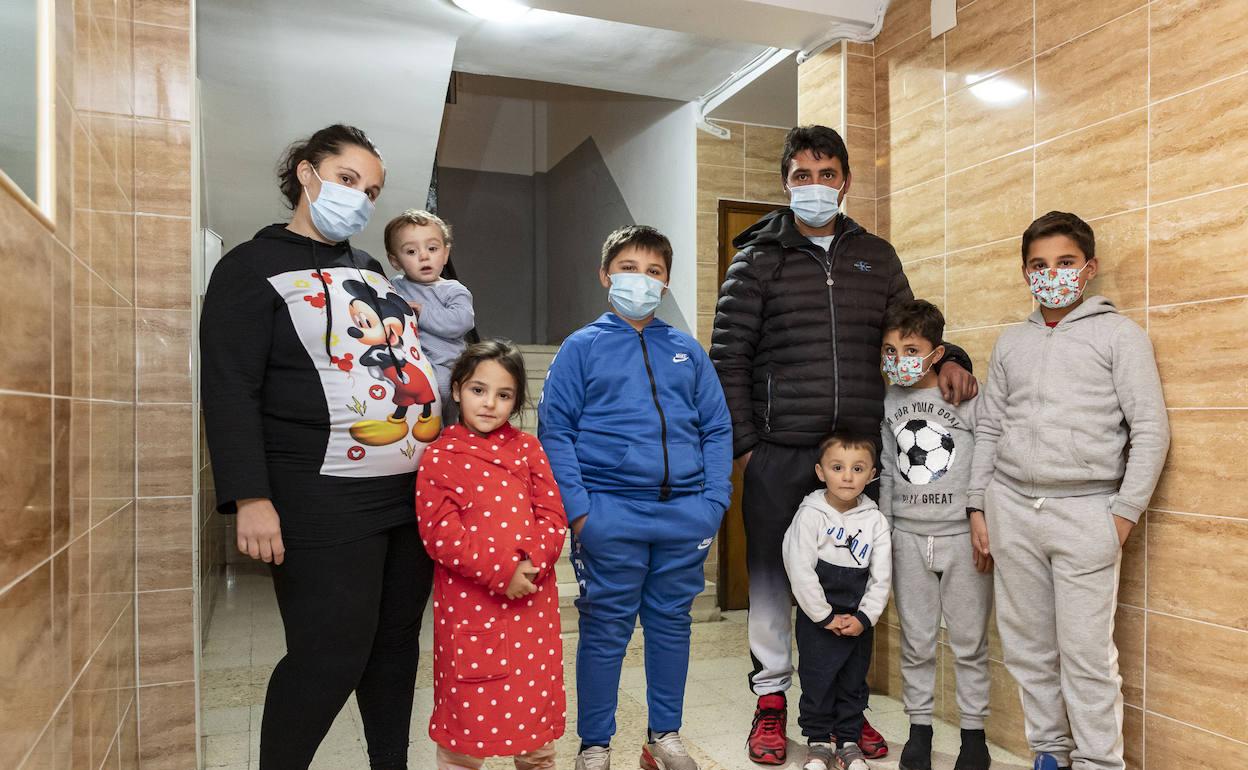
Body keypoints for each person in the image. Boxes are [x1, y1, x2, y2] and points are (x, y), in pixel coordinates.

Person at [710, 124, 977, 765]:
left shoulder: (876, 257)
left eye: (826, 175)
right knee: (773, 579)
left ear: (846, 182)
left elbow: (911, 330)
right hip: (779, 451)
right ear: (785, 184)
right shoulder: (755, 260)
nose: (815, 186)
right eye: (802, 175)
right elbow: (727, 359)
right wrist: (747, 449)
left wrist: (952, 358)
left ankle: (847, 711)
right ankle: (771, 701)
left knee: (853, 583)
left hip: (860, 455)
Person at [201, 124, 439, 769]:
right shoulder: (248, 266)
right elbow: (229, 388)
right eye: (347, 179)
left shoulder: (370, 271)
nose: (360, 198)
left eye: (372, 190)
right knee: (329, 654)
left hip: (406, 496)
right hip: (319, 495)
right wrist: (249, 497)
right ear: (307, 174)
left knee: (394, 649)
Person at [967, 212, 1170, 770]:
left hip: (1087, 512)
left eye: (1064, 262)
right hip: (1011, 509)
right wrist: (979, 505)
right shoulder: (1012, 342)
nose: (1050, 274)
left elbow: (1150, 430)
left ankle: (1100, 762)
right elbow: (989, 428)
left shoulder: (1120, 336)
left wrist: (1122, 515)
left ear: (1089, 267)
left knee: (1086, 655)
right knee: (1028, 649)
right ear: (1025, 272)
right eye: (1038, 264)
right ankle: (1050, 753)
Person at [539, 225, 733, 770]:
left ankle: (663, 736)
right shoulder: (581, 347)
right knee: (605, 632)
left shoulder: (687, 351)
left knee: (672, 627)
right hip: (608, 514)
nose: (641, 280)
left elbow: (717, 428)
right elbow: (556, 431)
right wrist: (581, 512)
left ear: (666, 282)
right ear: (606, 276)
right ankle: (595, 744)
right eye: (628, 268)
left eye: (653, 271)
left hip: (685, 515)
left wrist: (713, 503)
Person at [415, 339, 567, 770]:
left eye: (504, 395)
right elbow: (440, 535)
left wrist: (532, 565)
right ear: (457, 389)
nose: (489, 403)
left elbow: (552, 515)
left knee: (535, 732)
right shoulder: (440, 456)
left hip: (531, 605)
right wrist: (503, 572)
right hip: (472, 609)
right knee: (465, 731)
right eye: (478, 390)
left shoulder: (529, 449)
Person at [878, 300, 992, 770]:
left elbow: (987, 454)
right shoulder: (889, 400)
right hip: (907, 537)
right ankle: (919, 730)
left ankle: (974, 737)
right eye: (890, 350)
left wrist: (979, 513)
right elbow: (888, 469)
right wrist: (885, 531)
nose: (899, 359)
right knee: (917, 641)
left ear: (936, 353)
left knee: (969, 642)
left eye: (911, 350)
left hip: (961, 538)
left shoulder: (963, 396)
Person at [781, 432, 891, 770]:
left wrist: (864, 617)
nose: (847, 477)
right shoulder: (810, 515)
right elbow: (799, 569)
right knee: (817, 680)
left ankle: (848, 742)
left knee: (853, 682)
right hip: (818, 618)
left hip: (858, 618)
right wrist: (824, 616)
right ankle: (818, 743)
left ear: (872, 474)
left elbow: (882, 577)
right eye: (837, 467)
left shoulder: (875, 520)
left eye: (858, 468)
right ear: (820, 471)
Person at [385, 208, 475, 422]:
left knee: (442, 387)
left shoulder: (453, 290)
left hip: (446, 364)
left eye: (432, 248)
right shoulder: (395, 286)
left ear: (445, 253)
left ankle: (447, 429)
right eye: (411, 252)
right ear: (395, 261)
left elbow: (462, 320)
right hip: (408, 360)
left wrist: (423, 313)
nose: (424, 256)